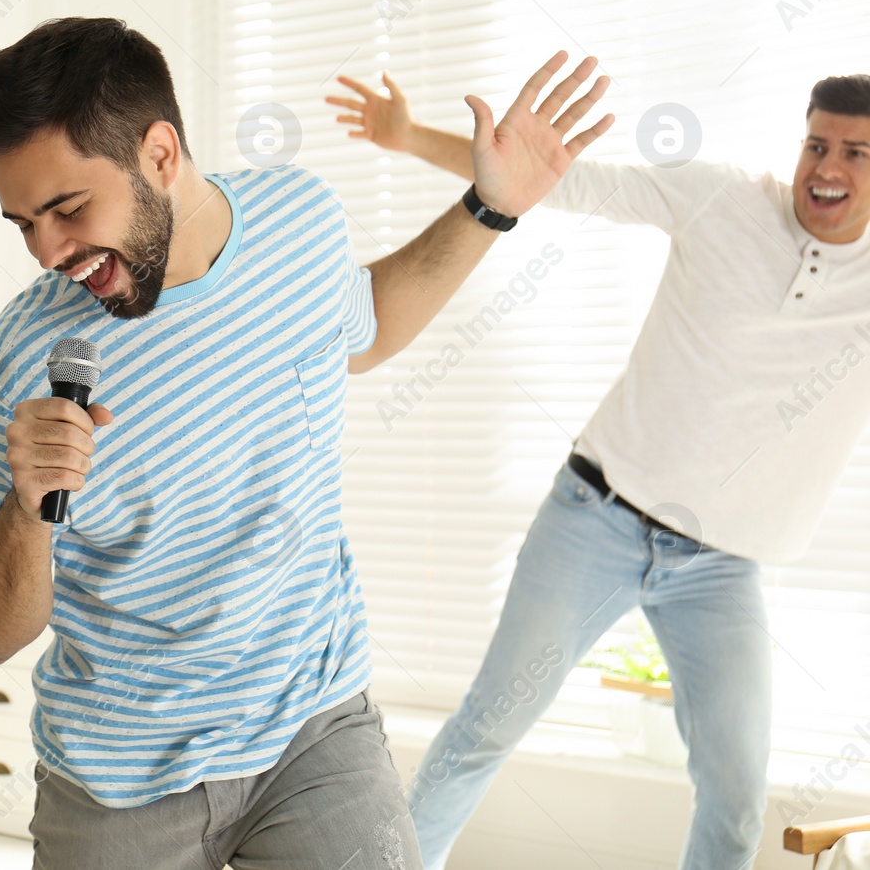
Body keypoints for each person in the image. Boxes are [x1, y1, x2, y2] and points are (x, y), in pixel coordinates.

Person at [0, 17, 614, 870]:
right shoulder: (18, 359)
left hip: (313, 727)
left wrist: (491, 207)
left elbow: (365, 324)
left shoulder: (298, 220)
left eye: (68, 209)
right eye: (23, 223)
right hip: (120, 777)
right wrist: (27, 510)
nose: (48, 251)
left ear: (159, 154)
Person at [329, 68, 870, 869]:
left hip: (721, 570)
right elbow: (552, 179)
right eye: (817, 143)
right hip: (596, 518)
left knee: (736, 789)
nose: (827, 168)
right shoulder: (722, 198)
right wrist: (408, 136)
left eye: (857, 153)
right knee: (488, 725)